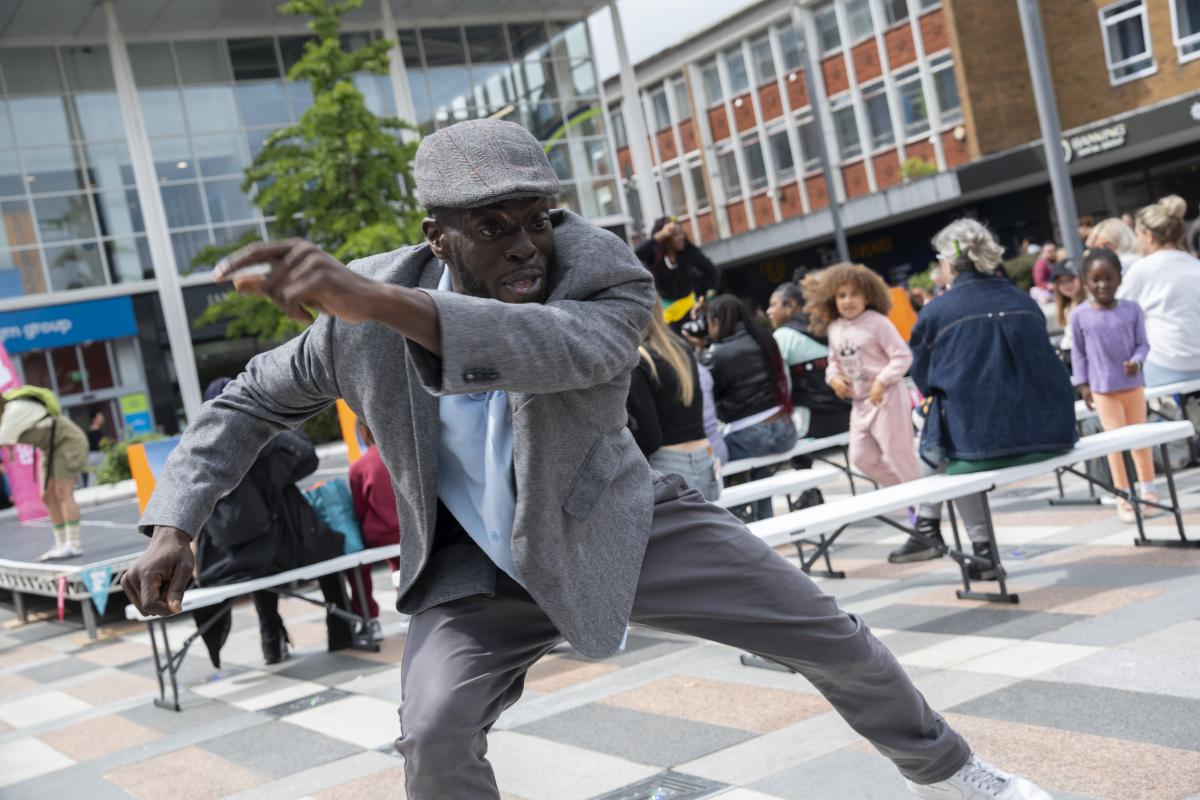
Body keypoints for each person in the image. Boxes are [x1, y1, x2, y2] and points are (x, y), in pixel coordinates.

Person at [121, 119, 1051, 800]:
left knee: (828, 635)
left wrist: (380, 306)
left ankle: (956, 774)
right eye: (495, 228)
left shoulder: (597, 267)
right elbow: (242, 399)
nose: (527, 243)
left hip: (623, 519)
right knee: (434, 734)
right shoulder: (359, 319)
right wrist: (176, 522)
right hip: (474, 565)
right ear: (438, 233)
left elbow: (570, 350)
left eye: (537, 217)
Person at [901, 219, 1077, 570]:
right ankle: (930, 531)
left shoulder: (936, 312)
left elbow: (923, 377)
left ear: (948, 263)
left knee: (944, 429)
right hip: (1053, 434)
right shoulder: (1023, 301)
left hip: (981, 449)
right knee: (951, 419)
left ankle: (959, 542)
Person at [192, 377, 353, 665]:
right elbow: (307, 458)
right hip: (287, 548)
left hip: (228, 564)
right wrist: (269, 422)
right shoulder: (260, 442)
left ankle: (271, 641)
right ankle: (341, 631)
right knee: (330, 548)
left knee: (260, 570)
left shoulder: (205, 453)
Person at [804, 263, 920, 497]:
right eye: (842, 295)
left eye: (855, 294)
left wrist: (882, 381)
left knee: (898, 454)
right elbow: (833, 363)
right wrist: (834, 378)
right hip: (859, 403)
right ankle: (911, 495)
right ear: (832, 299)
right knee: (861, 457)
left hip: (887, 398)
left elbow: (903, 356)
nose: (848, 300)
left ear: (868, 296)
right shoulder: (835, 328)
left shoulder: (878, 322)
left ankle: (924, 509)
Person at [1070, 248, 1158, 523]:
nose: (1103, 285)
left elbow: (1143, 343)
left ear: (1119, 278)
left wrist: (1137, 361)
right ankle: (1123, 494)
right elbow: (1078, 353)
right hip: (1103, 389)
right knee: (1115, 445)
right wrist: (1083, 386)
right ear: (1085, 282)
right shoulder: (1080, 315)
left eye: (1109, 278)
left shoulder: (1132, 310)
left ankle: (1148, 490)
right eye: (1096, 279)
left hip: (1133, 385)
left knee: (1140, 440)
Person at [702, 294, 797, 519]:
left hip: (750, 436)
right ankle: (765, 517)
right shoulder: (765, 339)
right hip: (785, 430)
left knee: (711, 460)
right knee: (759, 467)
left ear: (716, 320)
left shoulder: (718, 353)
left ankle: (733, 517)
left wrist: (700, 354)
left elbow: (708, 396)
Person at [627, 304, 720, 501]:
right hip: (705, 457)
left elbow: (650, 438)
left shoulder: (638, 360)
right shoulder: (681, 348)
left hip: (667, 463)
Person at [1117, 195, 1200, 387]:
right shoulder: (1195, 264)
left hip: (1167, 362)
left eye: (1137, 235)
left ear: (1148, 235)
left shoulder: (1141, 269)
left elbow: (1119, 312)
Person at [0, 387, 89, 560]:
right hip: (49, 448)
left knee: (63, 492)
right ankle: (61, 543)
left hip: (68, 441)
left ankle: (74, 544)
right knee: (47, 496)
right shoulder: (5, 416)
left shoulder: (14, 410)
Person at [766, 281, 851, 441]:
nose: (768, 311)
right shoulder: (831, 327)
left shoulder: (781, 336)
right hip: (851, 415)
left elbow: (783, 386)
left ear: (790, 305)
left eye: (773, 305)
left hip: (809, 424)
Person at [348, 423, 402, 642]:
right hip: (409, 530)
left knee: (358, 569)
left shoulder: (358, 467)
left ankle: (369, 618)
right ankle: (410, 607)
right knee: (400, 563)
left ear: (362, 433)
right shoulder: (399, 454)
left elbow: (360, 511)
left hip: (379, 535)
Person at [634, 216, 720, 330]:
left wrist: (705, 299)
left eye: (682, 233)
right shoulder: (655, 256)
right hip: (668, 314)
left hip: (692, 310)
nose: (681, 238)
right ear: (665, 239)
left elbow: (713, 272)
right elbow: (636, 254)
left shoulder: (688, 252)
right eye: (675, 234)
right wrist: (661, 234)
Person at [1049, 259, 1087, 372]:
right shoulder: (1067, 307)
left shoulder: (1090, 304)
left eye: (1070, 280)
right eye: (1061, 282)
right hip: (1070, 358)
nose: (1066, 285)